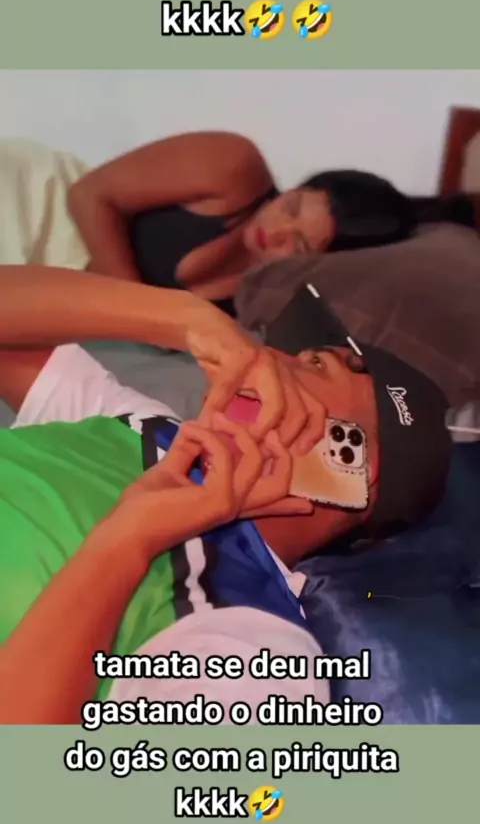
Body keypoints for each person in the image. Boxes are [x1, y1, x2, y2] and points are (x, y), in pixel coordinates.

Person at [0, 267, 451, 724]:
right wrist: (186, 317)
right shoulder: (149, 429)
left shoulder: (255, 652)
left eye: (315, 365)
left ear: (350, 465)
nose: (266, 358)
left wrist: (127, 542)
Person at [0, 136, 474, 318]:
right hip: (41, 205)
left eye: (299, 244)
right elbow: (89, 194)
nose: (277, 231)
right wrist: (139, 310)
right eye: (291, 207)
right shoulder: (233, 165)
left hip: (56, 281)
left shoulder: (261, 301)